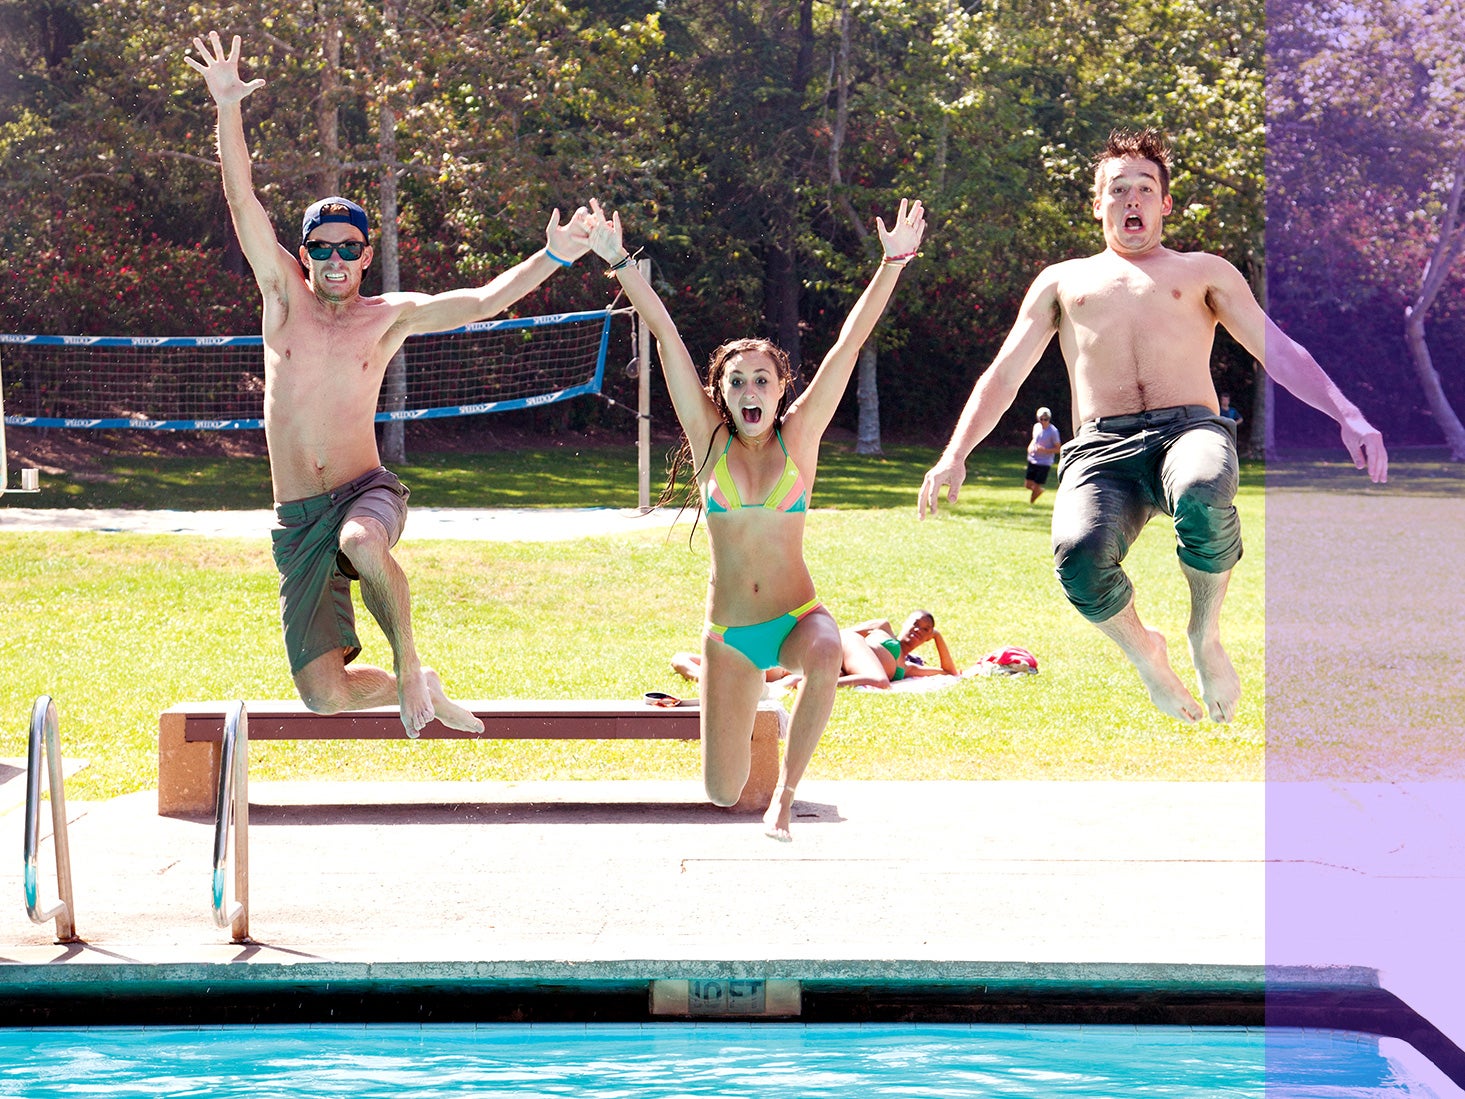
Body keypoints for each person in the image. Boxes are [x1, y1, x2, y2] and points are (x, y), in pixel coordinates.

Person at [188, 32, 591, 737]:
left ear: (366, 254)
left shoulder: (386, 319)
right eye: (322, 248)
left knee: (363, 540)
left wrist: (553, 255)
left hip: (363, 492)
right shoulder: (280, 296)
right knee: (325, 693)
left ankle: (409, 665)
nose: (335, 259)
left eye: (349, 248)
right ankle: (423, 686)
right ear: (304, 254)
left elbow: (484, 300)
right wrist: (227, 107)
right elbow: (240, 195)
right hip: (297, 519)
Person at [918, 128, 1387, 724]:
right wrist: (955, 453)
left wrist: (1348, 414)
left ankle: (1204, 631)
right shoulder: (1063, 281)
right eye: (1118, 190)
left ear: (1164, 203)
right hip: (1098, 447)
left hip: (1188, 431)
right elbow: (1005, 371)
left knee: (1201, 490)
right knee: (1078, 560)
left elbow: (1280, 350)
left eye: (1145, 188)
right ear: (1098, 204)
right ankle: (1148, 654)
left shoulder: (1203, 271)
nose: (1131, 200)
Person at [584, 196, 926, 840]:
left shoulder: (800, 440)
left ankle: (788, 800)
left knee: (826, 653)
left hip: (800, 618)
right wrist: (620, 261)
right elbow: (665, 332)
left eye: (762, 381)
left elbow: (851, 343)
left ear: (780, 390)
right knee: (721, 789)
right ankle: (762, 702)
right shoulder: (710, 442)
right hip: (731, 636)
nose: (750, 392)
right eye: (737, 381)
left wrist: (893, 263)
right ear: (721, 393)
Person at [670, 608, 961, 689]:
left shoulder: (910, 667)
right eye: (914, 624)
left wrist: (938, 637)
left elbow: (951, 672)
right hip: (836, 651)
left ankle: (710, 680)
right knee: (680, 657)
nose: (916, 631)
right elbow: (838, 633)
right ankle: (701, 674)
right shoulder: (883, 629)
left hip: (835, 664)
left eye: (924, 630)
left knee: (761, 673)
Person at [1024, 407, 1063, 503]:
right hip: (1033, 459)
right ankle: (1039, 492)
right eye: (1041, 419)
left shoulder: (1053, 431)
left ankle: (1031, 504)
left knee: (1036, 484)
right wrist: (1030, 447)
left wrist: (1045, 450)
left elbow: (1059, 449)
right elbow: (1034, 440)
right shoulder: (1036, 427)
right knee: (1028, 485)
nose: (1043, 421)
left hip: (1044, 462)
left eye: (1046, 419)